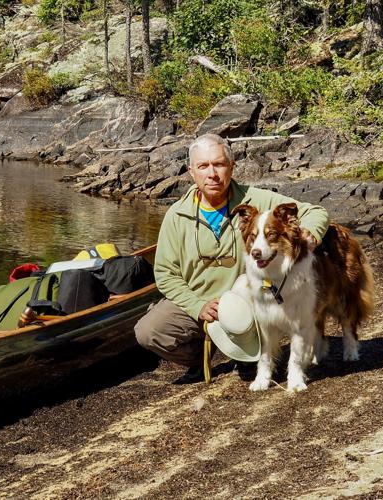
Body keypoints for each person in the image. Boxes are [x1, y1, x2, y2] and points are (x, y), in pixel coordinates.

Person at [134, 133, 329, 383]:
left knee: (253, 297)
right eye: (203, 166)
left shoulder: (256, 200)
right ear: (191, 172)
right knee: (149, 331)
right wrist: (197, 306)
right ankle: (202, 356)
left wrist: (310, 233)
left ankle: (248, 352)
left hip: (246, 302)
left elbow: (315, 211)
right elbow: (164, 273)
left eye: (219, 164)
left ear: (232, 166)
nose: (212, 174)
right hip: (199, 299)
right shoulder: (176, 215)